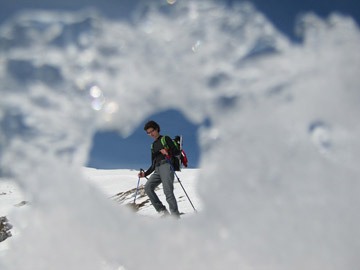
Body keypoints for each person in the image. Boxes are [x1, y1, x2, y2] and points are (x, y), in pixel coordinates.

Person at [138, 120, 181, 218]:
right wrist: (145, 174)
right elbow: (153, 163)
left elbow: (176, 152)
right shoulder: (153, 145)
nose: (150, 134)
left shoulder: (165, 138)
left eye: (152, 131)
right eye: (148, 133)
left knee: (168, 192)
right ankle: (162, 211)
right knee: (148, 187)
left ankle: (175, 218)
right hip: (157, 169)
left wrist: (167, 153)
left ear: (157, 129)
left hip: (166, 165)